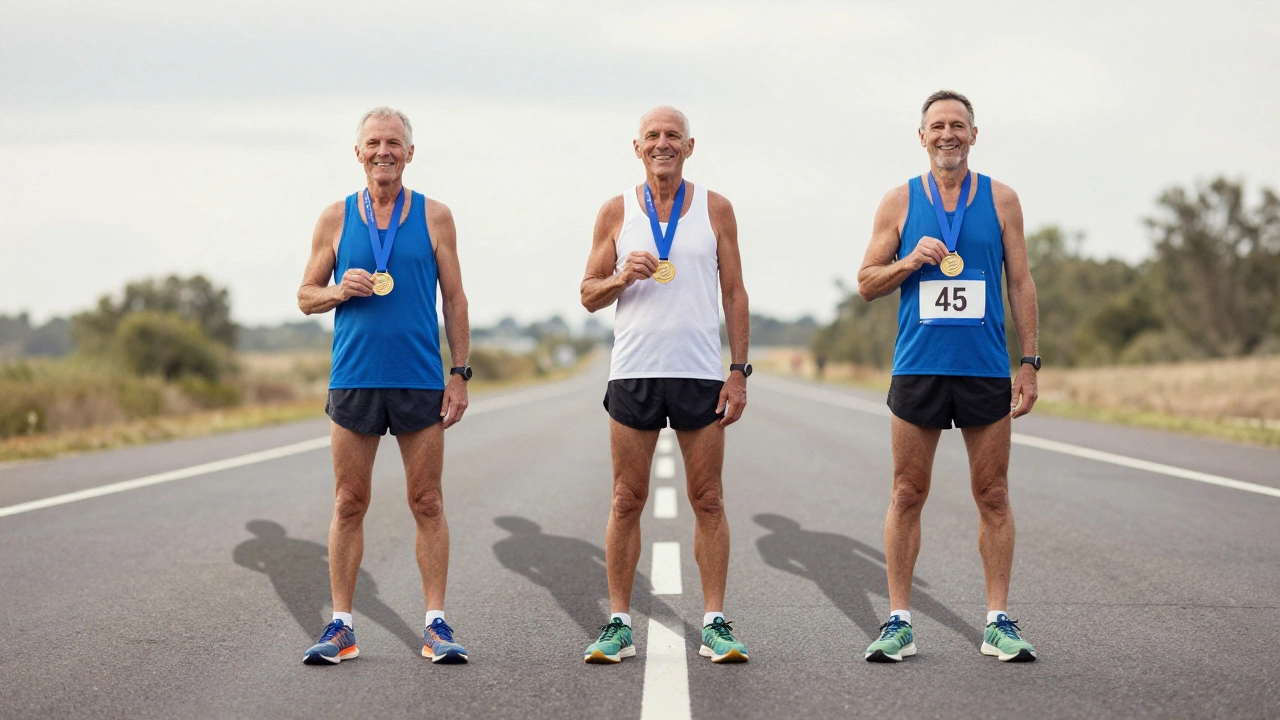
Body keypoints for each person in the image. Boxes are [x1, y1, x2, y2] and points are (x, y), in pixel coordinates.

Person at [857, 90, 1040, 663]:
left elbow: (1021, 284)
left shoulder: (1002, 198)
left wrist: (1029, 362)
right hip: (919, 365)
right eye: (937, 125)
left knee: (993, 493)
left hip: (984, 368)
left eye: (957, 125)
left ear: (973, 134)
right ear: (921, 136)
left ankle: (998, 623)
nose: (947, 134)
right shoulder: (899, 201)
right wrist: (911, 260)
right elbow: (866, 281)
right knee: (907, 492)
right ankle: (898, 622)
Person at [296, 106, 473, 666]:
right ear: (358, 153)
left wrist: (459, 373)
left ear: (410, 153)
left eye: (393, 143)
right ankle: (342, 627)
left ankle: (436, 626)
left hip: (420, 379)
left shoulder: (435, 216)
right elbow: (304, 295)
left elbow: (456, 300)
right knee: (349, 502)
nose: (383, 152)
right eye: (373, 142)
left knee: (427, 500)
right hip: (354, 378)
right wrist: (336, 292)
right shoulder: (334, 218)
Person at [579, 106, 752, 664]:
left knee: (708, 499)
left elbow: (735, 295)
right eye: (652, 136)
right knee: (627, 499)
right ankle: (619, 624)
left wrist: (739, 370)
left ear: (690, 145)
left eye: (672, 135)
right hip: (634, 371)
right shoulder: (615, 210)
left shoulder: (715, 208)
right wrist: (619, 276)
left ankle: (715, 623)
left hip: (701, 372)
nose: (662, 143)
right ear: (637, 147)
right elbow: (587, 293)